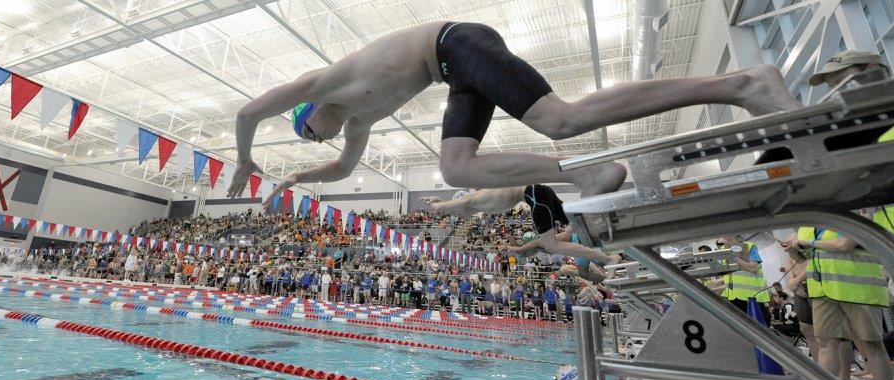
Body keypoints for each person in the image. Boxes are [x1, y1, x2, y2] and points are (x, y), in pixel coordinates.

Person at [227, 22, 798, 203]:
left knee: (560, 118)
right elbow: (346, 172)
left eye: (310, 137)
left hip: (456, 44)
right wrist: (296, 176)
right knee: (456, 169)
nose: (321, 141)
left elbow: (249, 112)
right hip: (452, 73)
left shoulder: (326, 81)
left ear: (308, 113)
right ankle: (586, 173)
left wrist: (243, 161)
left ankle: (741, 82)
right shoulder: (357, 122)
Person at [782, 224, 892, 380]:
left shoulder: (844, 216)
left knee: (872, 344)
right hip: (823, 291)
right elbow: (806, 258)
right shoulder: (807, 228)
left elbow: (845, 245)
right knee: (826, 343)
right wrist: (794, 250)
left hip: (858, 288)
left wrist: (807, 242)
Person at [418, 186, 619, 279]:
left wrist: (438, 205)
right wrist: (439, 200)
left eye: (455, 210)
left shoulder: (472, 199)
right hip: (540, 192)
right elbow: (458, 209)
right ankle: (610, 234)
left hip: (534, 195)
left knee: (551, 245)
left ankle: (608, 259)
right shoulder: (477, 199)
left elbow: (457, 205)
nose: (459, 215)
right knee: (577, 223)